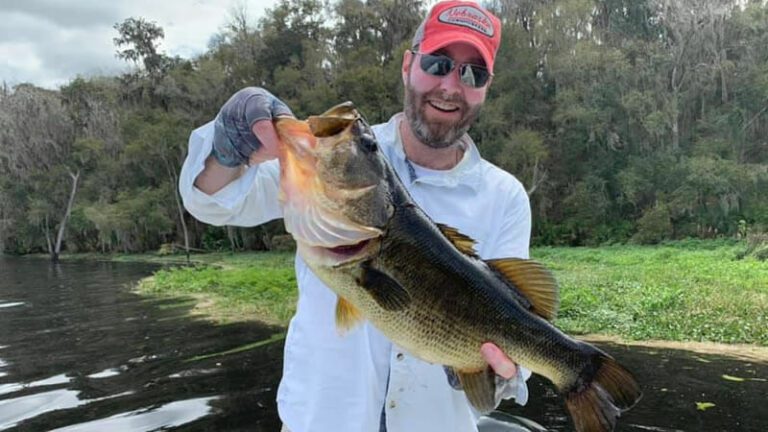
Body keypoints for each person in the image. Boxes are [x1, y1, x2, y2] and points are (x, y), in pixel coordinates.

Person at [179, 1, 533, 431]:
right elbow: (215, 201)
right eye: (438, 64)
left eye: (473, 74)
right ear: (408, 65)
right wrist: (227, 146)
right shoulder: (339, 161)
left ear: (486, 88)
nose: (451, 87)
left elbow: (518, 337)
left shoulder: (506, 196)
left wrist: (491, 375)